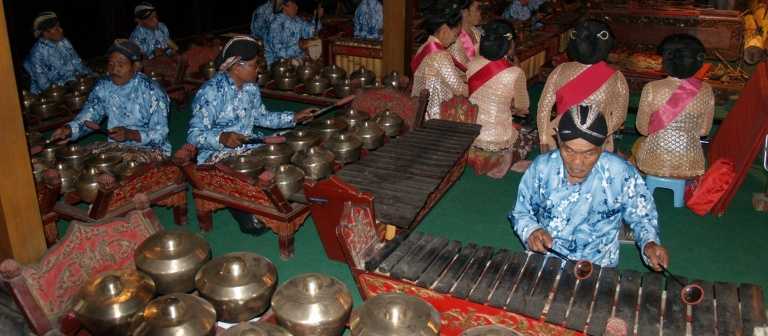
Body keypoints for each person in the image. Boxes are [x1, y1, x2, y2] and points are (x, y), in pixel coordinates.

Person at [510, 105, 669, 269]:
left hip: (599, 264)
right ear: (558, 140)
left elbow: (643, 216)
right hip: (547, 260)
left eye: (589, 153)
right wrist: (531, 230)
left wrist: (649, 243)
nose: (577, 163)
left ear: (604, 144)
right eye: (569, 151)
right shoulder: (542, 168)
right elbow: (521, 212)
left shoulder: (620, 172)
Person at [187, 36, 315, 164]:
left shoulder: (251, 87)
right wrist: (221, 138)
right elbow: (194, 135)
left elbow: (261, 117)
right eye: (254, 65)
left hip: (247, 146)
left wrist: (294, 117)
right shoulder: (211, 92)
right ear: (237, 67)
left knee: (292, 148)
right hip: (217, 154)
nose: (258, 69)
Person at [50, 40, 170, 160]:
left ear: (136, 67)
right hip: (117, 147)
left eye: (120, 64)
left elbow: (160, 135)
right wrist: (69, 130)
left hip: (152, 149)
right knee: (79, 158)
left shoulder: (153, 92)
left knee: (122, 169)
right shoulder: (103, 86)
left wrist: (130, 134)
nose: (114, 69)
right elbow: (90, 115)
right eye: (111, 64)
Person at [536, 19, 628, 153]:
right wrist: (598, 133)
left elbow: (543, 107)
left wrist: (544, 138)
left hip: (560, 137)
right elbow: (619, 116)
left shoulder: (560, 70)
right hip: (597, 142)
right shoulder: (616, 77)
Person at [635, 34, 714, 179]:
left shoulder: (652, 87)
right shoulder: (706, 90)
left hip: (653, 160)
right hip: (689, 162)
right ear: (698, 61)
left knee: (638, 145)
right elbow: (704, 131)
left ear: (664, 60)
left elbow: (643, 129)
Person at [466, 20, 532, 179]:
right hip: (497, 142)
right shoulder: (515, 72)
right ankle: (507, 160)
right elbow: (523, 108)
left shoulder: (471, 64)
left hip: (470, 139)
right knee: (529, 134)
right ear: (509, 45)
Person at [411, 0, 468, 120]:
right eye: (455, 35)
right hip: (436, 118)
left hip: (418, 114)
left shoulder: (424, 47)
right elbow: (460, 90)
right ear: (444, 30)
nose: (454, 40)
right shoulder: (440, 56)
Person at [23, 11, 92, 95]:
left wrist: (89, 75)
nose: (61, 30)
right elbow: (44, 85)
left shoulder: (64, 42)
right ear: (46, 33)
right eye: (56, 28)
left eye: (59, 26)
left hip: (73, 85)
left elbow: (78, 63)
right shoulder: (37, 54)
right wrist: (68, 84)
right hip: (51, 94)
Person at [264, 0, 323, 66]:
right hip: (279, 65)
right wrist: (299, 46)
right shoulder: (275, 24)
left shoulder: (297, 20)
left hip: (297, 61)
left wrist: (317, 18)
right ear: (284, 6)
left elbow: (312, 32)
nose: (297, 7)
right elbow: (278, 52)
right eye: (293, 4)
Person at [448, 0, 483, 70]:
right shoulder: (455, 40)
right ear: (464, 12)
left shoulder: (475, 31)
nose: (480, 13)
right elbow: (463, 72)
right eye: (477, 8)